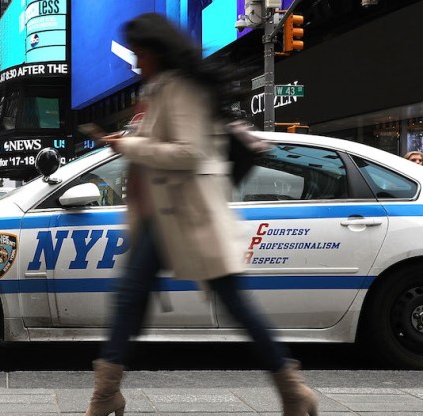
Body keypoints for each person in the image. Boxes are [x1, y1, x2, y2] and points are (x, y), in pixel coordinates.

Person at [84, 13, 318, 416]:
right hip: (163, 216)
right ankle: (106, 394)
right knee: (129, 299)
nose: (136, 62)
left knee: (233, 304)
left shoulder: (182, 88)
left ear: (157, 51)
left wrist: (130, 146)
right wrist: (130, 140)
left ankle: (293, 390)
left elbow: (189, 153)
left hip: (192, 218)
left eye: (140, 54)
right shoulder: (161, 87)